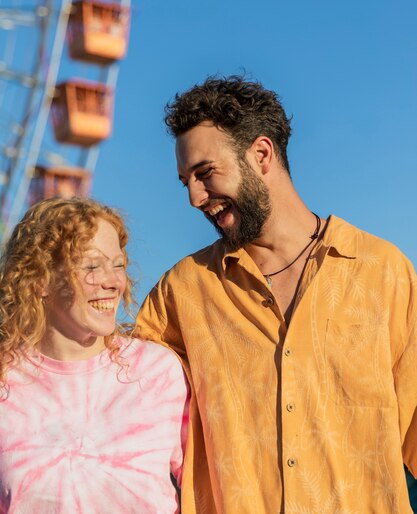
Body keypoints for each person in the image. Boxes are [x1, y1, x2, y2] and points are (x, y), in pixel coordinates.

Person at [137, 75, 417, 514]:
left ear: (262, 154)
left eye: (205, 173)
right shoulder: (181, 292)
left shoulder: (384, 271)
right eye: (185, 181)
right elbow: (110, 390)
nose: (194, 197)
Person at [0, 197, 188, 514]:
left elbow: (213, 494)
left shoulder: (157, 374)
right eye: (91, 266)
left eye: (118, 265)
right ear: (40, 279)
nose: (114, 282)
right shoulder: (5, 381)